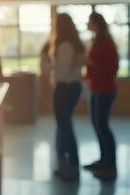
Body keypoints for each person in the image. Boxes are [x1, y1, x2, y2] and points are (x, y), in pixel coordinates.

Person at [82, 12, 119, 181]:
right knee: (97, 125)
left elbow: (113, 67)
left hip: (105, 90)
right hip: (96, 88)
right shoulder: (96, 41)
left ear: (96, 23)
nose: (87, 25)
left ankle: (111, 164)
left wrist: (93, 64)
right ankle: (104, 160)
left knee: (103, 126)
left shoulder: (106, 43)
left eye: (89, 22)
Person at [48, 13, 85, 181]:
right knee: (65, 125)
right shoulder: (75, 44)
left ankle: (73, 164)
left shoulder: (64, 46)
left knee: (65, 126)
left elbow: (61, 73)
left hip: (64, 88)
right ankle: (67, 161)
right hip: (74, 88)